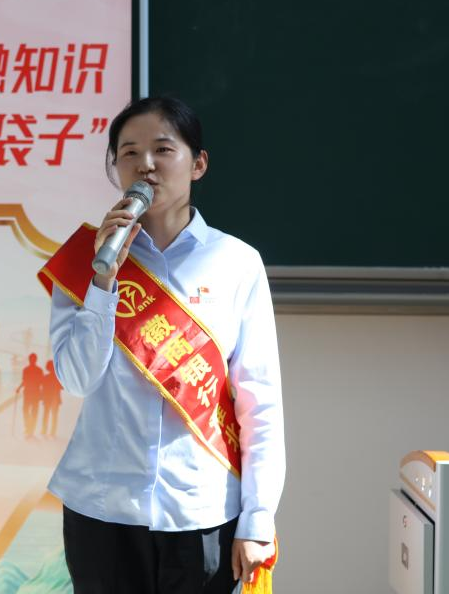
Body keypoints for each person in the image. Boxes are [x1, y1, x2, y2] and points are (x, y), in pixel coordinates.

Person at [45, 96, 284, 593]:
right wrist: (103, 282)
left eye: (163, 149)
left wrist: (258, 517)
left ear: (198, 164)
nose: (146, 165)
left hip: (201, 508)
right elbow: (77, 378)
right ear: (115, 167)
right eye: (129, 153)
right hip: (102, 508)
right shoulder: (85, 260)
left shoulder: (237, 263)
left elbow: (259, 402)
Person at [16, 352, 44, 439]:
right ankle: (30, 428)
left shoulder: (26, 370)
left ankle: (29, 428)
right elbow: (41, 383)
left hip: (29, 393)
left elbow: (25, 381)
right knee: (32, 411)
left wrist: (19, 388)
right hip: (34, 393)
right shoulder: (39, 370)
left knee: (27, 410)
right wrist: (19, 388)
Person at [39, 359, 63, 439]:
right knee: (54, 416)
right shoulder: (58, 378)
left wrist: (41, 397)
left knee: (46, 415)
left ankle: (44, 431)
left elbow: (43, 389)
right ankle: (52, 432)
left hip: (47, 398)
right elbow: (62, 387)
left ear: (47, 368)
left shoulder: (45, 377)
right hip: (55, 398)